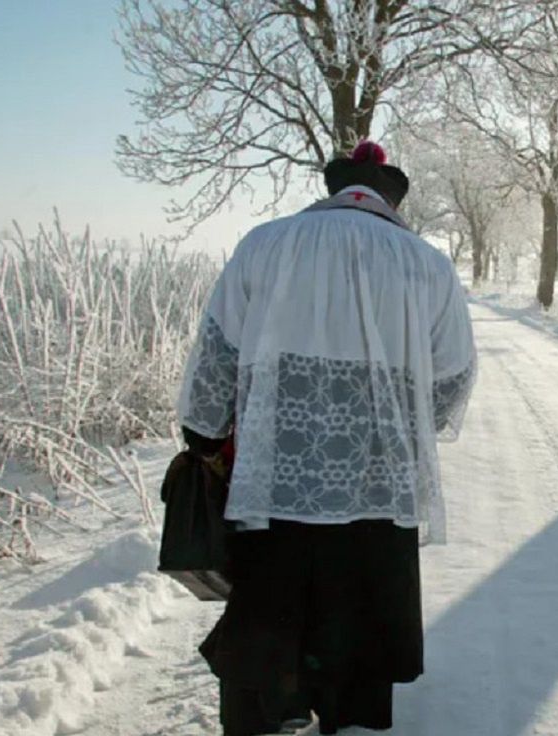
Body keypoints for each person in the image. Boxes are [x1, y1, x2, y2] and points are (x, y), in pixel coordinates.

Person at [177, 141, 477, 735]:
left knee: (271, 606)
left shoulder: (266, 244)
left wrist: (205, 436)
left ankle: (266, 713)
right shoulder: (426, 264)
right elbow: (455, 375)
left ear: (336, 188)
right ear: (389, 197)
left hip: (274, 475)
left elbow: (217, 352)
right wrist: (410, 430)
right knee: (361, 618)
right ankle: (348, 717)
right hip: (379, 484)